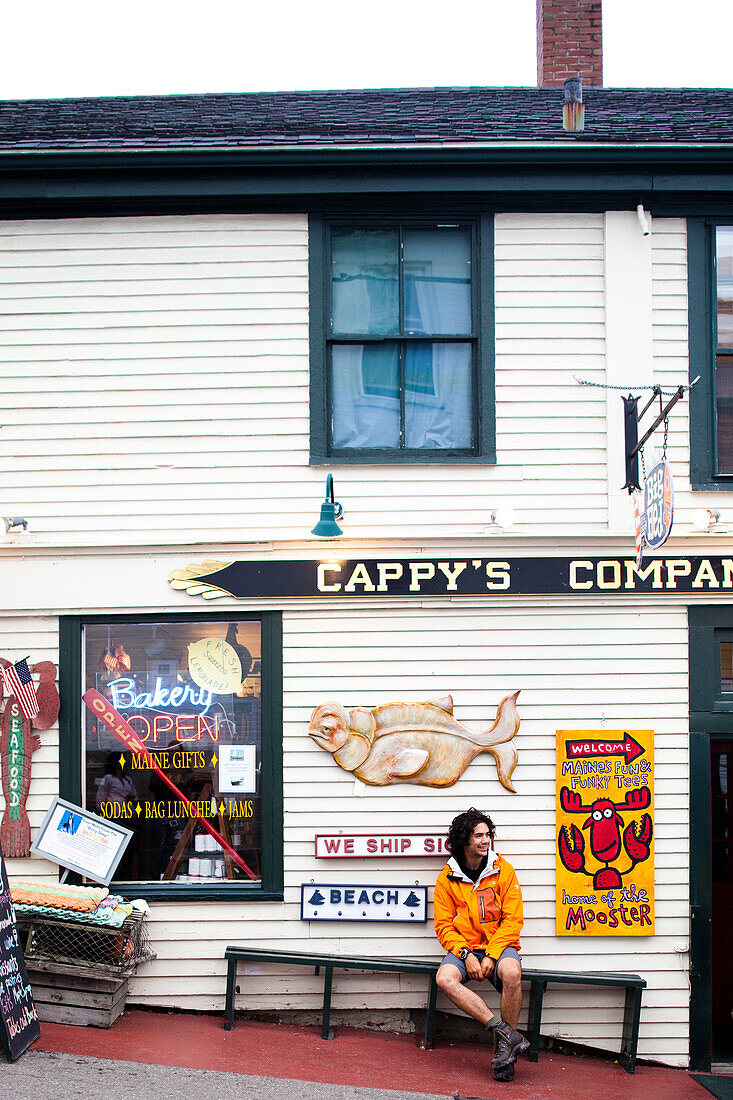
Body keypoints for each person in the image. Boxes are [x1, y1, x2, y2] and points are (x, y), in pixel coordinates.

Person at [434, 807, 529, 1083]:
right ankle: (505, 1035)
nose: (485, 840)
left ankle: (504, 1055)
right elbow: (444, 925)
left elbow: (513, 920)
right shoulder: (447, 876)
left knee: (512, 972)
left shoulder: (503, 870)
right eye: (479, 835)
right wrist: (465, 953)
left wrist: (492, 954)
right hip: (465, 947)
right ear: (464, 839)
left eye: (488, 835)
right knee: (444, 978)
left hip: (498, 945)